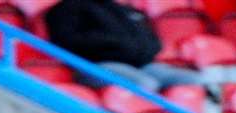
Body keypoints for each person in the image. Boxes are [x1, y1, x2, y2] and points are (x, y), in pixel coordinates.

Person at [42, 0, 197, 92]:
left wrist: (140, 50)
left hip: (140, 64)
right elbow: (69, 42)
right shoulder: (66, 9)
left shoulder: (121, 9)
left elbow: (151, 40)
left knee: (195, 80)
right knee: (145, 84)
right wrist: (115, 46)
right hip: (94, 66)